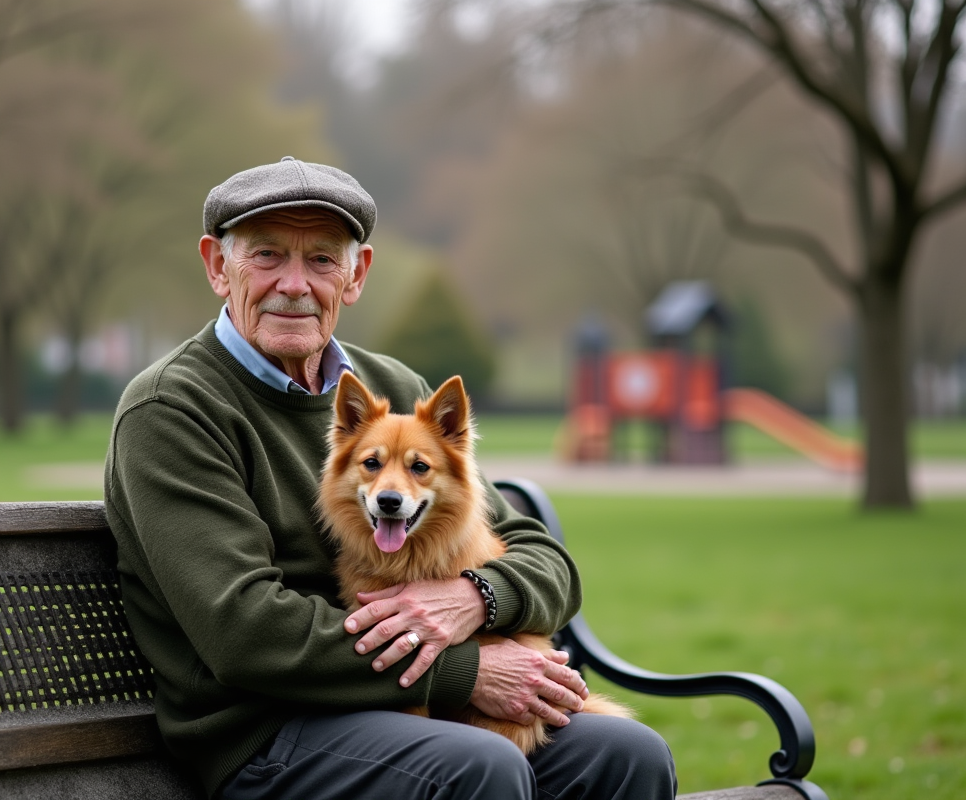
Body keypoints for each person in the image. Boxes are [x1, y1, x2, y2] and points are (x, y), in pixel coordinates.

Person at [104, 157, 676, 800]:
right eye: (266, 255)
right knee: (480, 768)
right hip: (269, 729)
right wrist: (464, 671)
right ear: (217, 266)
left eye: (322, 259)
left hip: (413, 711)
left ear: (356, 276)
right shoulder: (174, 410)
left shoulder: (399, 393)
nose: (294, 284)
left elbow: (544, 562)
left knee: (627, 754)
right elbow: (245, 633)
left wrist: (475, 599)